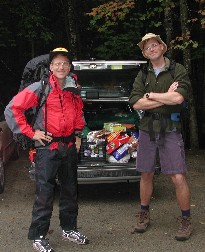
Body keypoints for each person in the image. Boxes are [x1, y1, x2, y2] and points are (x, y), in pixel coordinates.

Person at [5, 47, 89, 251]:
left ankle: (69, 229)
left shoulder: (73, 87)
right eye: (57, 63)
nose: (61, 66)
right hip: (47, 148)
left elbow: (78, 113)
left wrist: (78, 135)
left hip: (68, 147)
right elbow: (12, 109)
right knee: (44, 193)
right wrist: (31, 133)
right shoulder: (39, 88)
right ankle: (38, 235)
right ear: (51, 67)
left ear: (69, 67)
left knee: (70, 191)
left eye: (65, 63)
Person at [129, 33, 192, 241]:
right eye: (147, 48)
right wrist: (165, 97)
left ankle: (185, 220)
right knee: (145, 173)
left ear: (162, 47)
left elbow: (179, 97)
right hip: (147, 128)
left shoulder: (177, 69)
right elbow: (136, 103)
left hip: (170, 128)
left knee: (177, 176)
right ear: (144, 53)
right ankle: (144, 215)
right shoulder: (143, 74)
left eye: (155, 45)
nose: (152, 49)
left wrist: (151, 95)